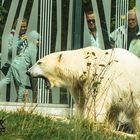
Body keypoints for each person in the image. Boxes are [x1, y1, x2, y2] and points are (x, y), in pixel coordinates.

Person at [0, 30, 41, 102]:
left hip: (14, 63)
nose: (39, 42)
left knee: (7, 79)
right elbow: (33, 62)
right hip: (20, 66)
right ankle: (19, 102)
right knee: (22, 84)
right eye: (38, 40)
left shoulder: (27, 45)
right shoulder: (33, 48)